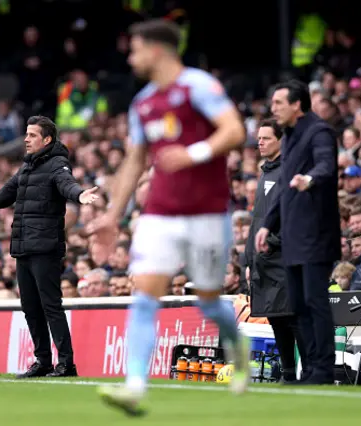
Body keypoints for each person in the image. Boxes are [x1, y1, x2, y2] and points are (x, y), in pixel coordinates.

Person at [87, 19, 249, 415]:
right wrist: (112, 215)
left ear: (156, 50)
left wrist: (193, 153)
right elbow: (134, 160)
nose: (131, 57)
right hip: (159, 212)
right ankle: (135, 386)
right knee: (145, 295)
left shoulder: (199, 86)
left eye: (136, 49)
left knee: (210, 302)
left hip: (208, 213)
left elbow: (235, 130)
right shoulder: (142, 103)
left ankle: (237, 346)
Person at [0, 115, 99, 378]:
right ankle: (42, 361)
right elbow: (3, 195)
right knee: (30, 308)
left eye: (32, 135)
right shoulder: (27, 168)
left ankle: (66, 363)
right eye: (26, 134)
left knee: (50, 306)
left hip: (45, 247)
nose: (26, 139)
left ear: (47, 140)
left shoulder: (58, 164)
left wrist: (80, 194)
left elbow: (67, 185)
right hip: (22, 247)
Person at [255, 79, 340, 385]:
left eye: (279, 103)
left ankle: (323, 371)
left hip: (316, 233)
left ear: (296, 105)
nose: (273, 108)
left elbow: (327, 166)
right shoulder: (289, 137)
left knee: (316, 302)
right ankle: (312, 369)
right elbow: (282, 193)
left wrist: (310, 179)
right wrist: (267, 224)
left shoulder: (320, 132)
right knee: (299, 305)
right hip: (292, 235)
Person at [244, 118, 306, 383]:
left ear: (281, 141)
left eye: (266, 138)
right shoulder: (266, 172)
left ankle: (312, 371)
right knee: (275, 317)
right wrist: (248, 260)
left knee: (293, 316)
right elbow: (258, 219)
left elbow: (297, 214)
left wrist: (277, 242)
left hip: (283, 256)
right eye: (259, 138)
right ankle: (289, 372)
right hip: (263, 259)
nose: (260, 142)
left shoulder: (289, 172)